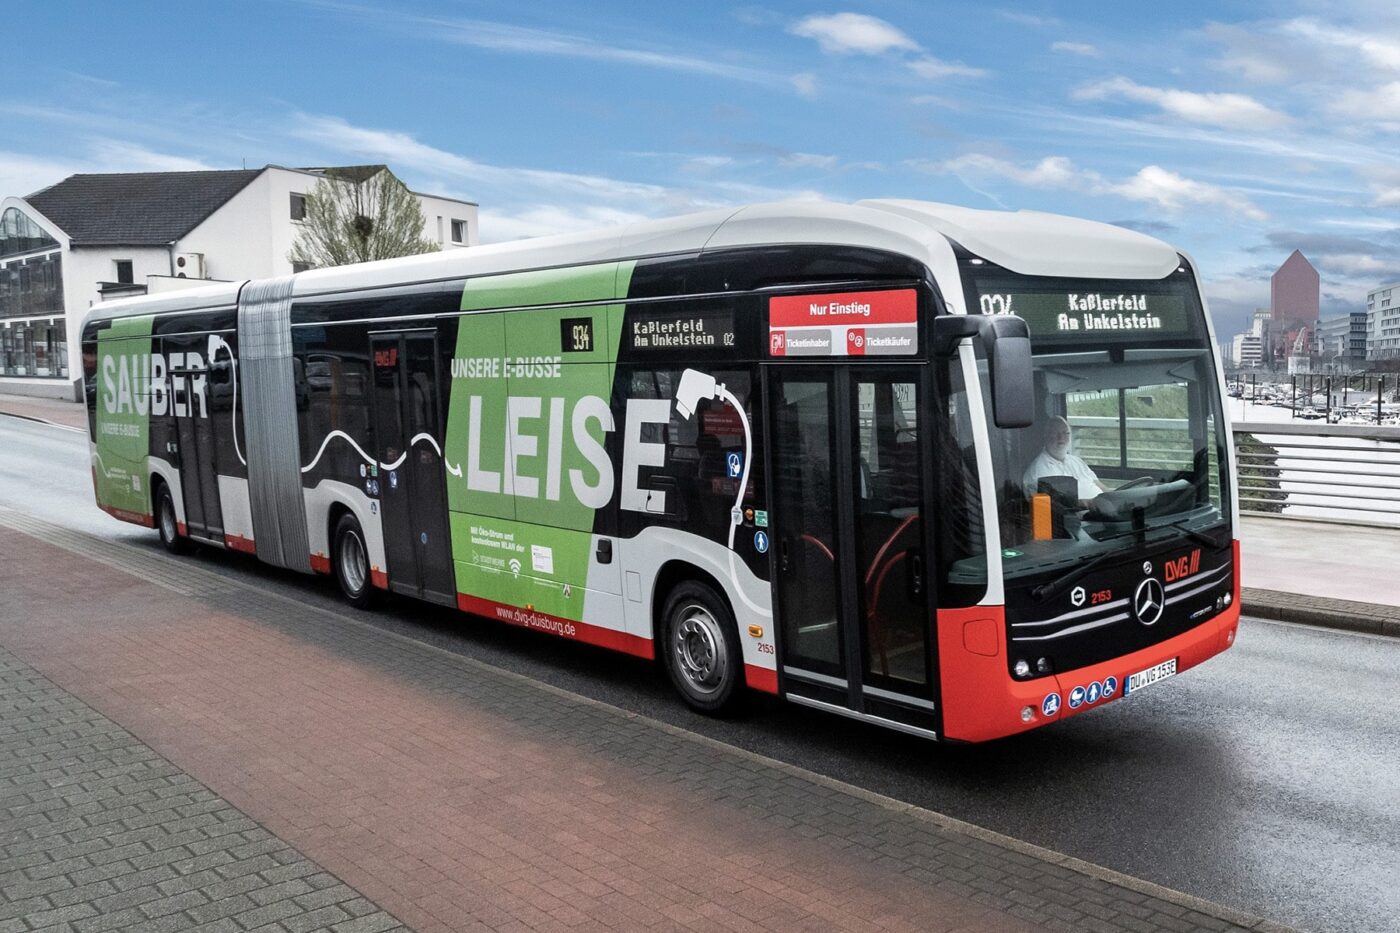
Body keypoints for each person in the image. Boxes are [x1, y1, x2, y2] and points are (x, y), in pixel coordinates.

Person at [1022, 416, 1105, 507]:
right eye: (1056, 433)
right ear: (1046, 436)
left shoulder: (1076, 461)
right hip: (1079, 516)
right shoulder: (1039, 469)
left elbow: (1101, 486)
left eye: (1066, 433)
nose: (1061, 438)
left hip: (1103, 510)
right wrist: (1093, 503)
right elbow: (1061, 505)